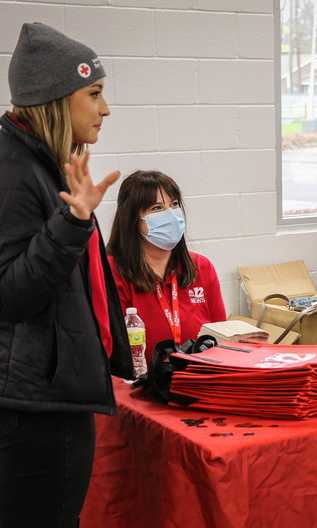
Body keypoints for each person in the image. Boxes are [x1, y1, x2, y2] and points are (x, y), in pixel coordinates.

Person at [0, 23, 133, 526]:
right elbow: (11, 294)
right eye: (94, 94)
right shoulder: (12, 171)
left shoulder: (45, 164)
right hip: (31, 414)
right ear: (56, 100)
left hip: (51, 400)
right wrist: (72, 223)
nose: (105, 109)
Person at [107, 170, 227, 362]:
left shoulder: (201, 267)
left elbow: (223, 337)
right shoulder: (113, 272)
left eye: (174, 204)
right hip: (140, 384)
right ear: (132, 219)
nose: (170, 215)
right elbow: (111, 347)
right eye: (156, 208)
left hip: (200, 382)